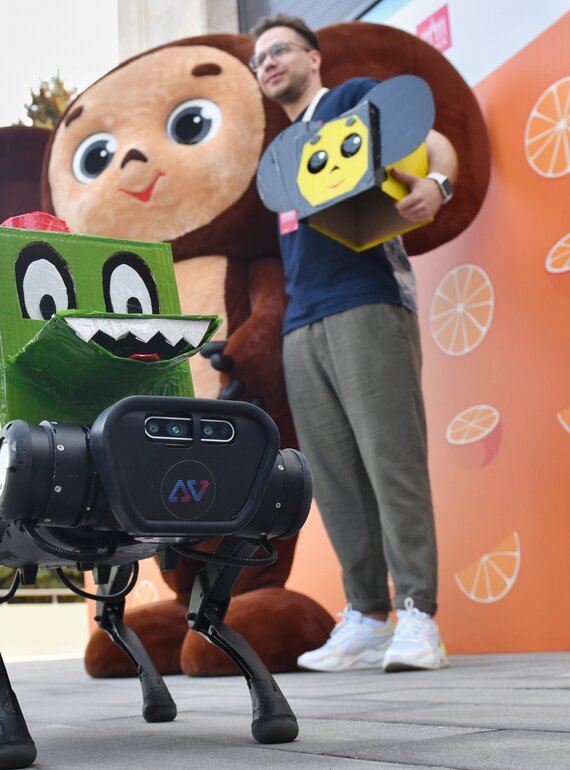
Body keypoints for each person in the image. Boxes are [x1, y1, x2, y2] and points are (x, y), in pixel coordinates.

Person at [249, 14, 457, 672]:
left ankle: (418, 614)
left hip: (366, 302)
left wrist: (438, 186)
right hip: (301, 323)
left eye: (280, 50)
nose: (268, 63)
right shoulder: (279, 153)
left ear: (313, 57)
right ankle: (366, 617)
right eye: (259, 59)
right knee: (335, 480)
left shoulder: (348, 101)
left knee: (392, 462)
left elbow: (436, 142)